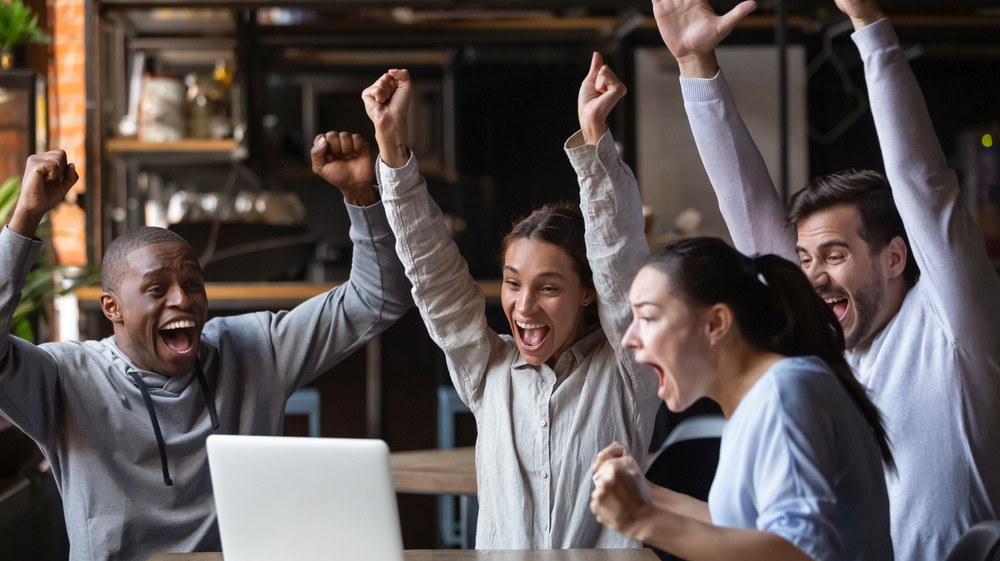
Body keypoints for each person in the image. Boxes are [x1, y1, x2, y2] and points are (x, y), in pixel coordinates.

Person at [651, 0, 1000, 558]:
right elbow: (747, 212)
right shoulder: (821, 348)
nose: (813, 277)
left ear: (894, 256)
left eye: (834, 255)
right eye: (805, 258)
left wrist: (867, 22)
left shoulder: (953, 326)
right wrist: (696, 64)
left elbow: (923, 183)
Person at [0, 134, 412, 561]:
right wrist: (27, 216)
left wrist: (362, 195)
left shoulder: (256, 348)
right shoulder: (68, 378)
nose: (183, 299)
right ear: (113, 308)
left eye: (193, 283)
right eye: (157, 288)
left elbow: (377, 299)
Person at [361, 53, 661, 548]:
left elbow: (619, 260)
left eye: (548, 287)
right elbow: (434, 278)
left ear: (587, 292)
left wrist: (593, 140)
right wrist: (392, 150)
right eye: (513, 283)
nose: (523, 308)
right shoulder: (488, 371)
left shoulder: (629, 372)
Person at [590, 237, 895, 561]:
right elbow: (744, 530)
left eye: (648, 318)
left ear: (716, 323)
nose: (629, 338)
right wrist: (648, 495)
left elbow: (802, 551)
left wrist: (642, 520)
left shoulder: (783, 392)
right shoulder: (764, 396)